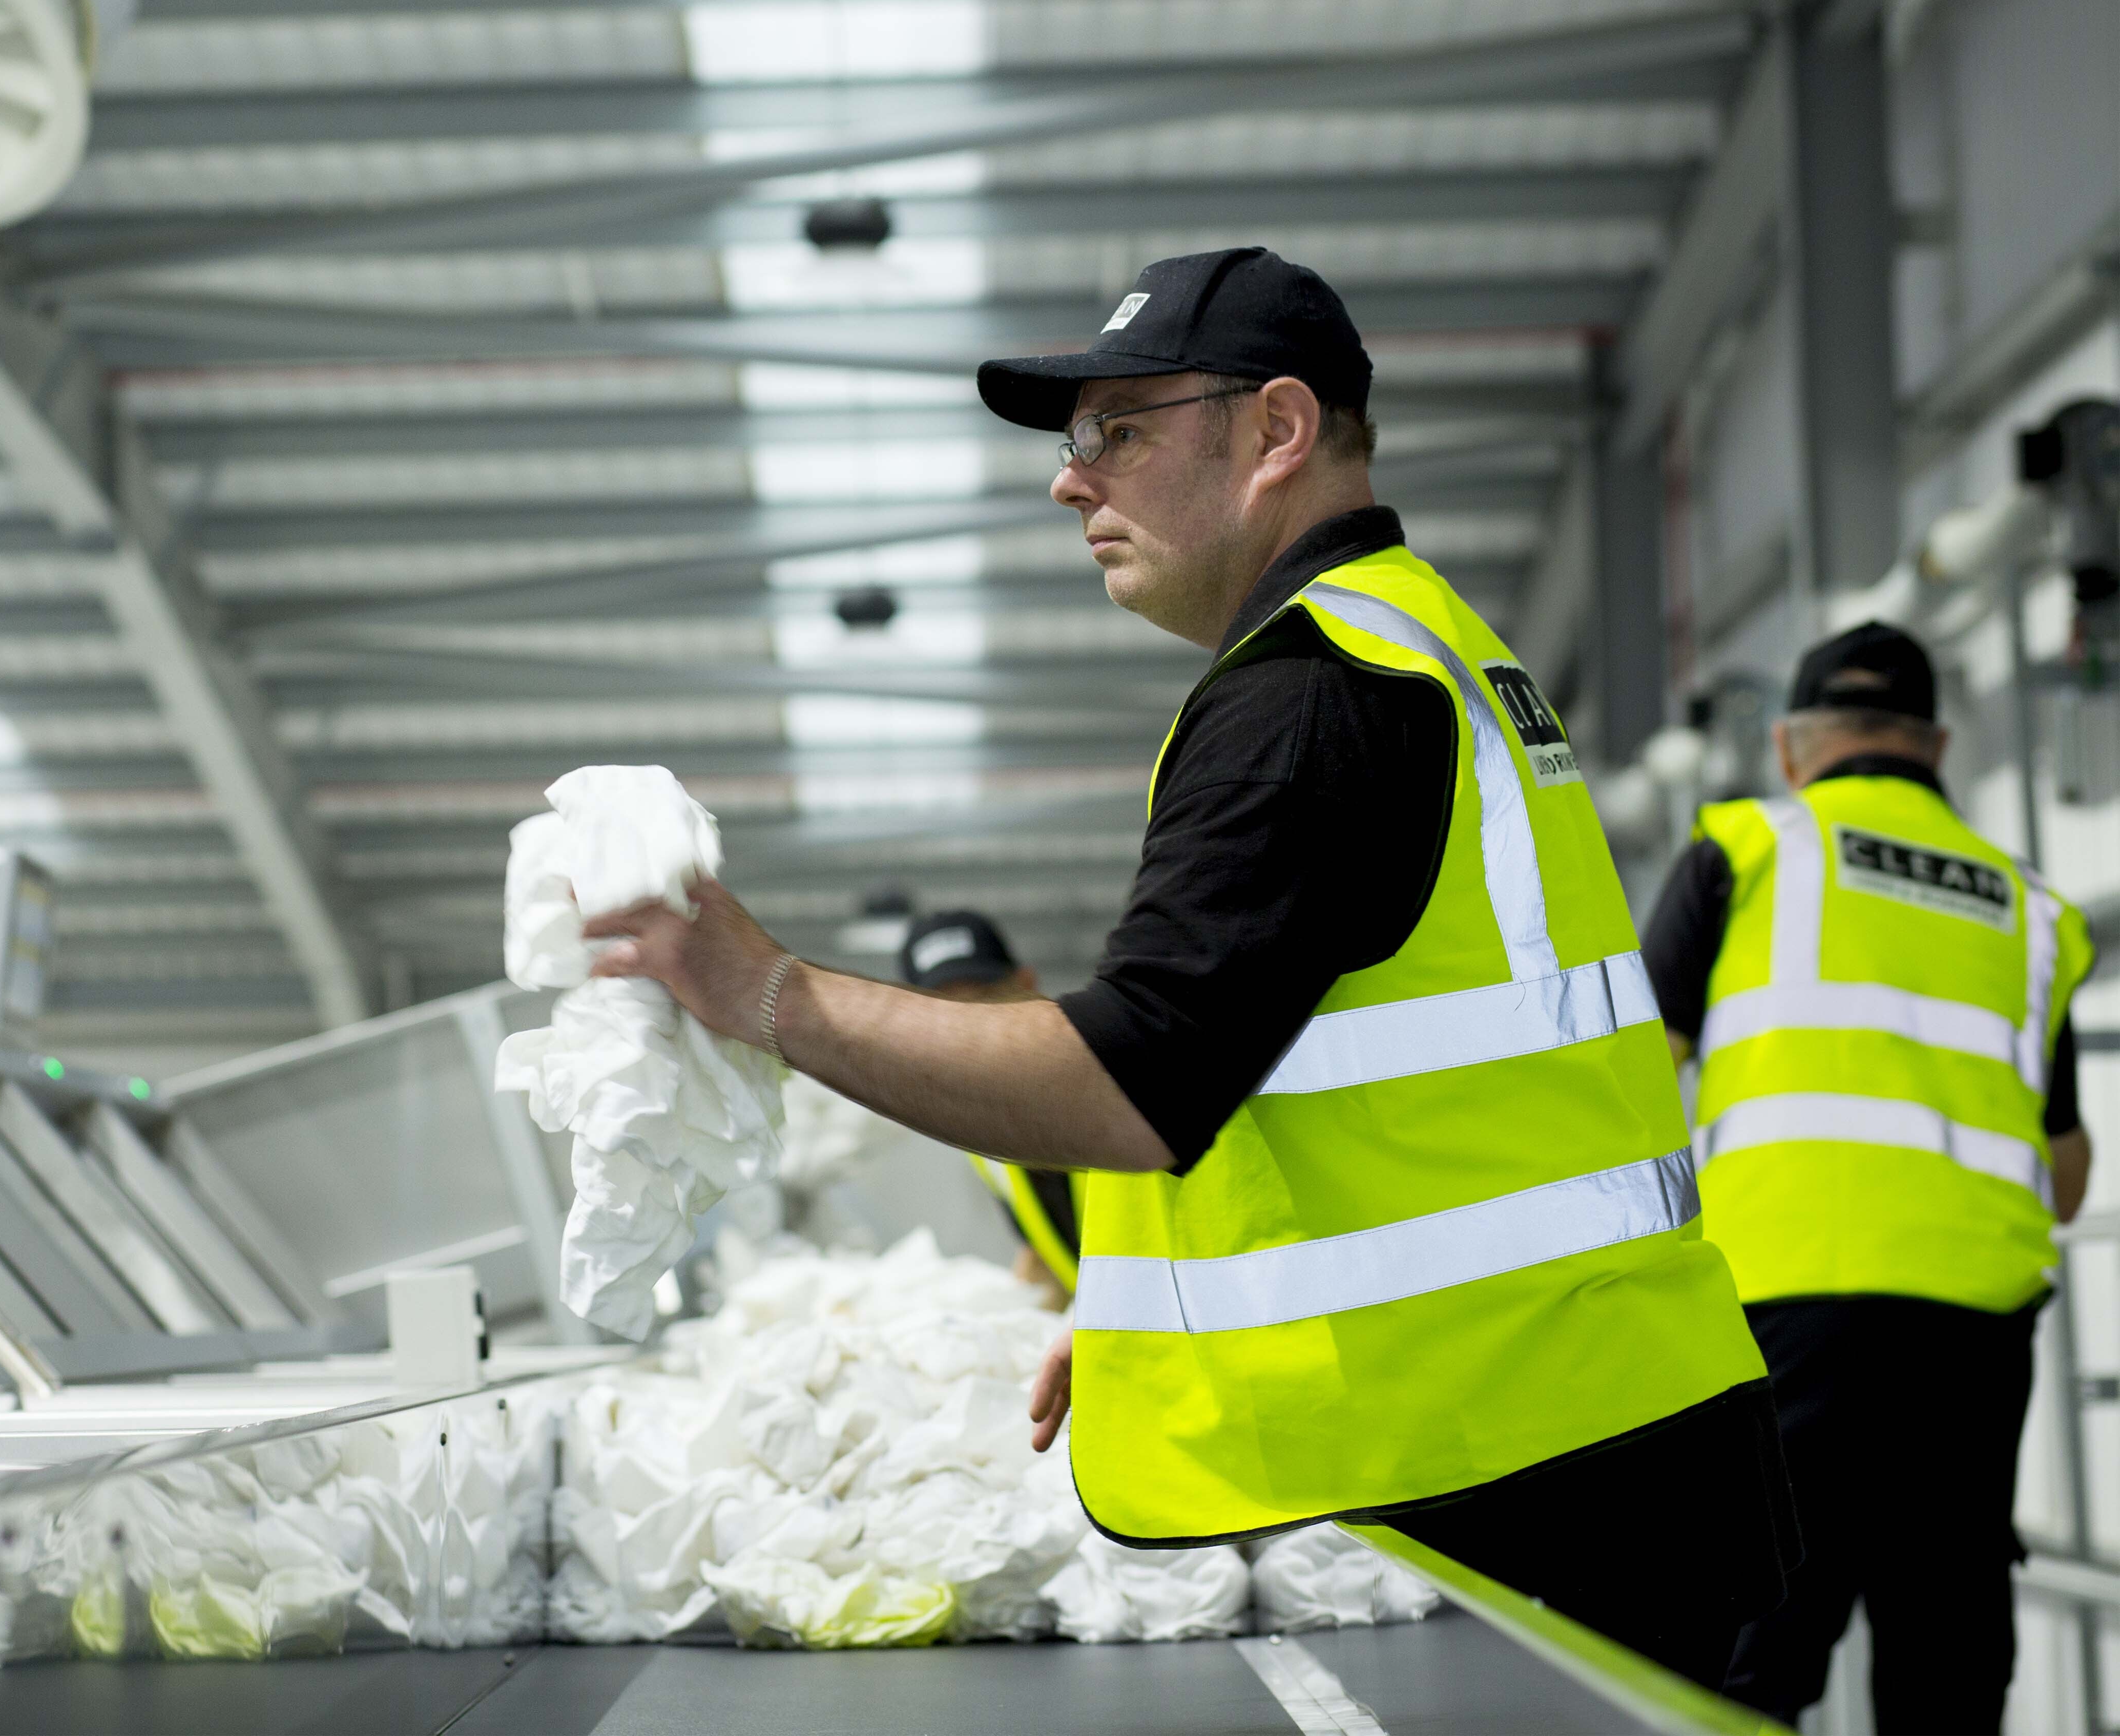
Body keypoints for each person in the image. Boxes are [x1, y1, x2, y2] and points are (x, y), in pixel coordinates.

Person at [585, 245, 1796, 1686]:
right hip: (1595, 1446)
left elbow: (1129, 1079)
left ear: (1277, 431)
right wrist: (1167, 1332)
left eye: (1120, 431)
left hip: (1540, 1496)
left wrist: (763, 994)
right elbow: (1375, 1101)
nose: (1069, 480)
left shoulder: (1314, 698)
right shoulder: (1419, 651)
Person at [1645, 622, 2093, 1734]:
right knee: (1947, 1671)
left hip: (1785, 1316)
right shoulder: (2032, 911)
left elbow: (1635, 1084)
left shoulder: (1745, 845)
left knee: (1748, 1668)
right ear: (1936, 747)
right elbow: (2069, 1175)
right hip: (1974, 1338)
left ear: (1795, 748)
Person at [897, 909, 1077, 1307]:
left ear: (1029, 987)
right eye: (945, 1017)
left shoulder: (1110, 1087)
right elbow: (1044, 1256)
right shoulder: (986, 1140)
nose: (971, 1036)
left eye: (988, 1003)